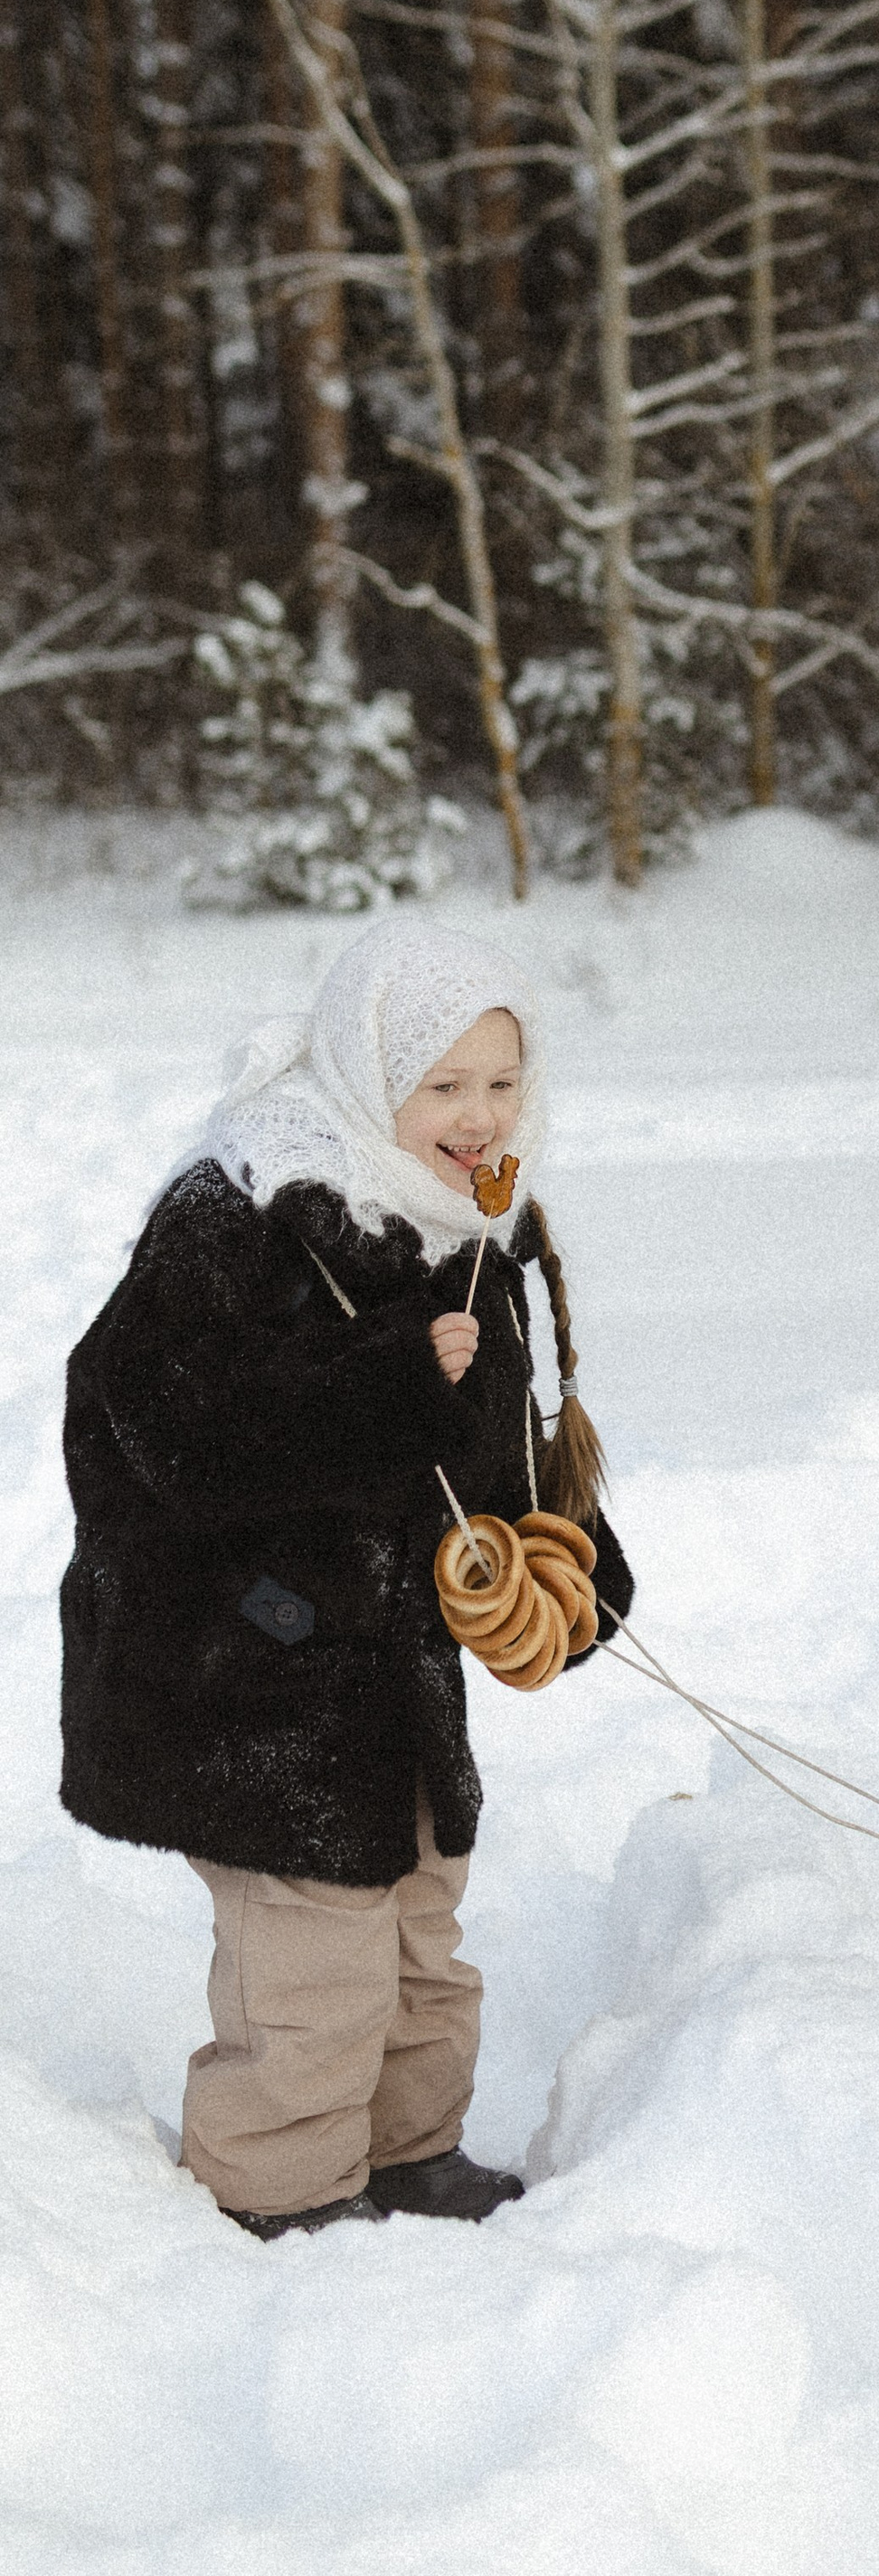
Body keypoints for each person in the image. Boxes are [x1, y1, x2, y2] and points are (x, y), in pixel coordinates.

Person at [59, 920, 633, 2236]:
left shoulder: (472, 1218)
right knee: (311, 1961)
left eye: (502, 1082)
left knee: (420, 1927)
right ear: (369, 1070)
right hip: (238, 1658)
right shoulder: (241, 1205)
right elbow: (156, 1432)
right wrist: (377, 1388)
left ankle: (409, 2151)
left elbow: (487, 1433)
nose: (480, 1118)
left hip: (391, 1654)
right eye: (443, 1087)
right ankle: (279, 2195)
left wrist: (565, 1559)